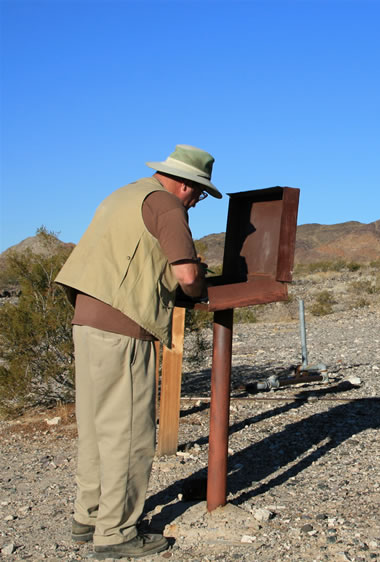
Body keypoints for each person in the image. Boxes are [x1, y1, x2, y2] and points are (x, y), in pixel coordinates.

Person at [55, 144, 222, 559]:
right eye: (199, 193)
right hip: (125, 327)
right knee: (130, 434)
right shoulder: (167, 206)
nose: (197, 201)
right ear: (186, 184)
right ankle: (116, 534)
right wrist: (199, 282)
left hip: (88, 320)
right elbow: (186, 275)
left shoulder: (123, 194)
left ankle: (88, 516)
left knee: (97, 426)